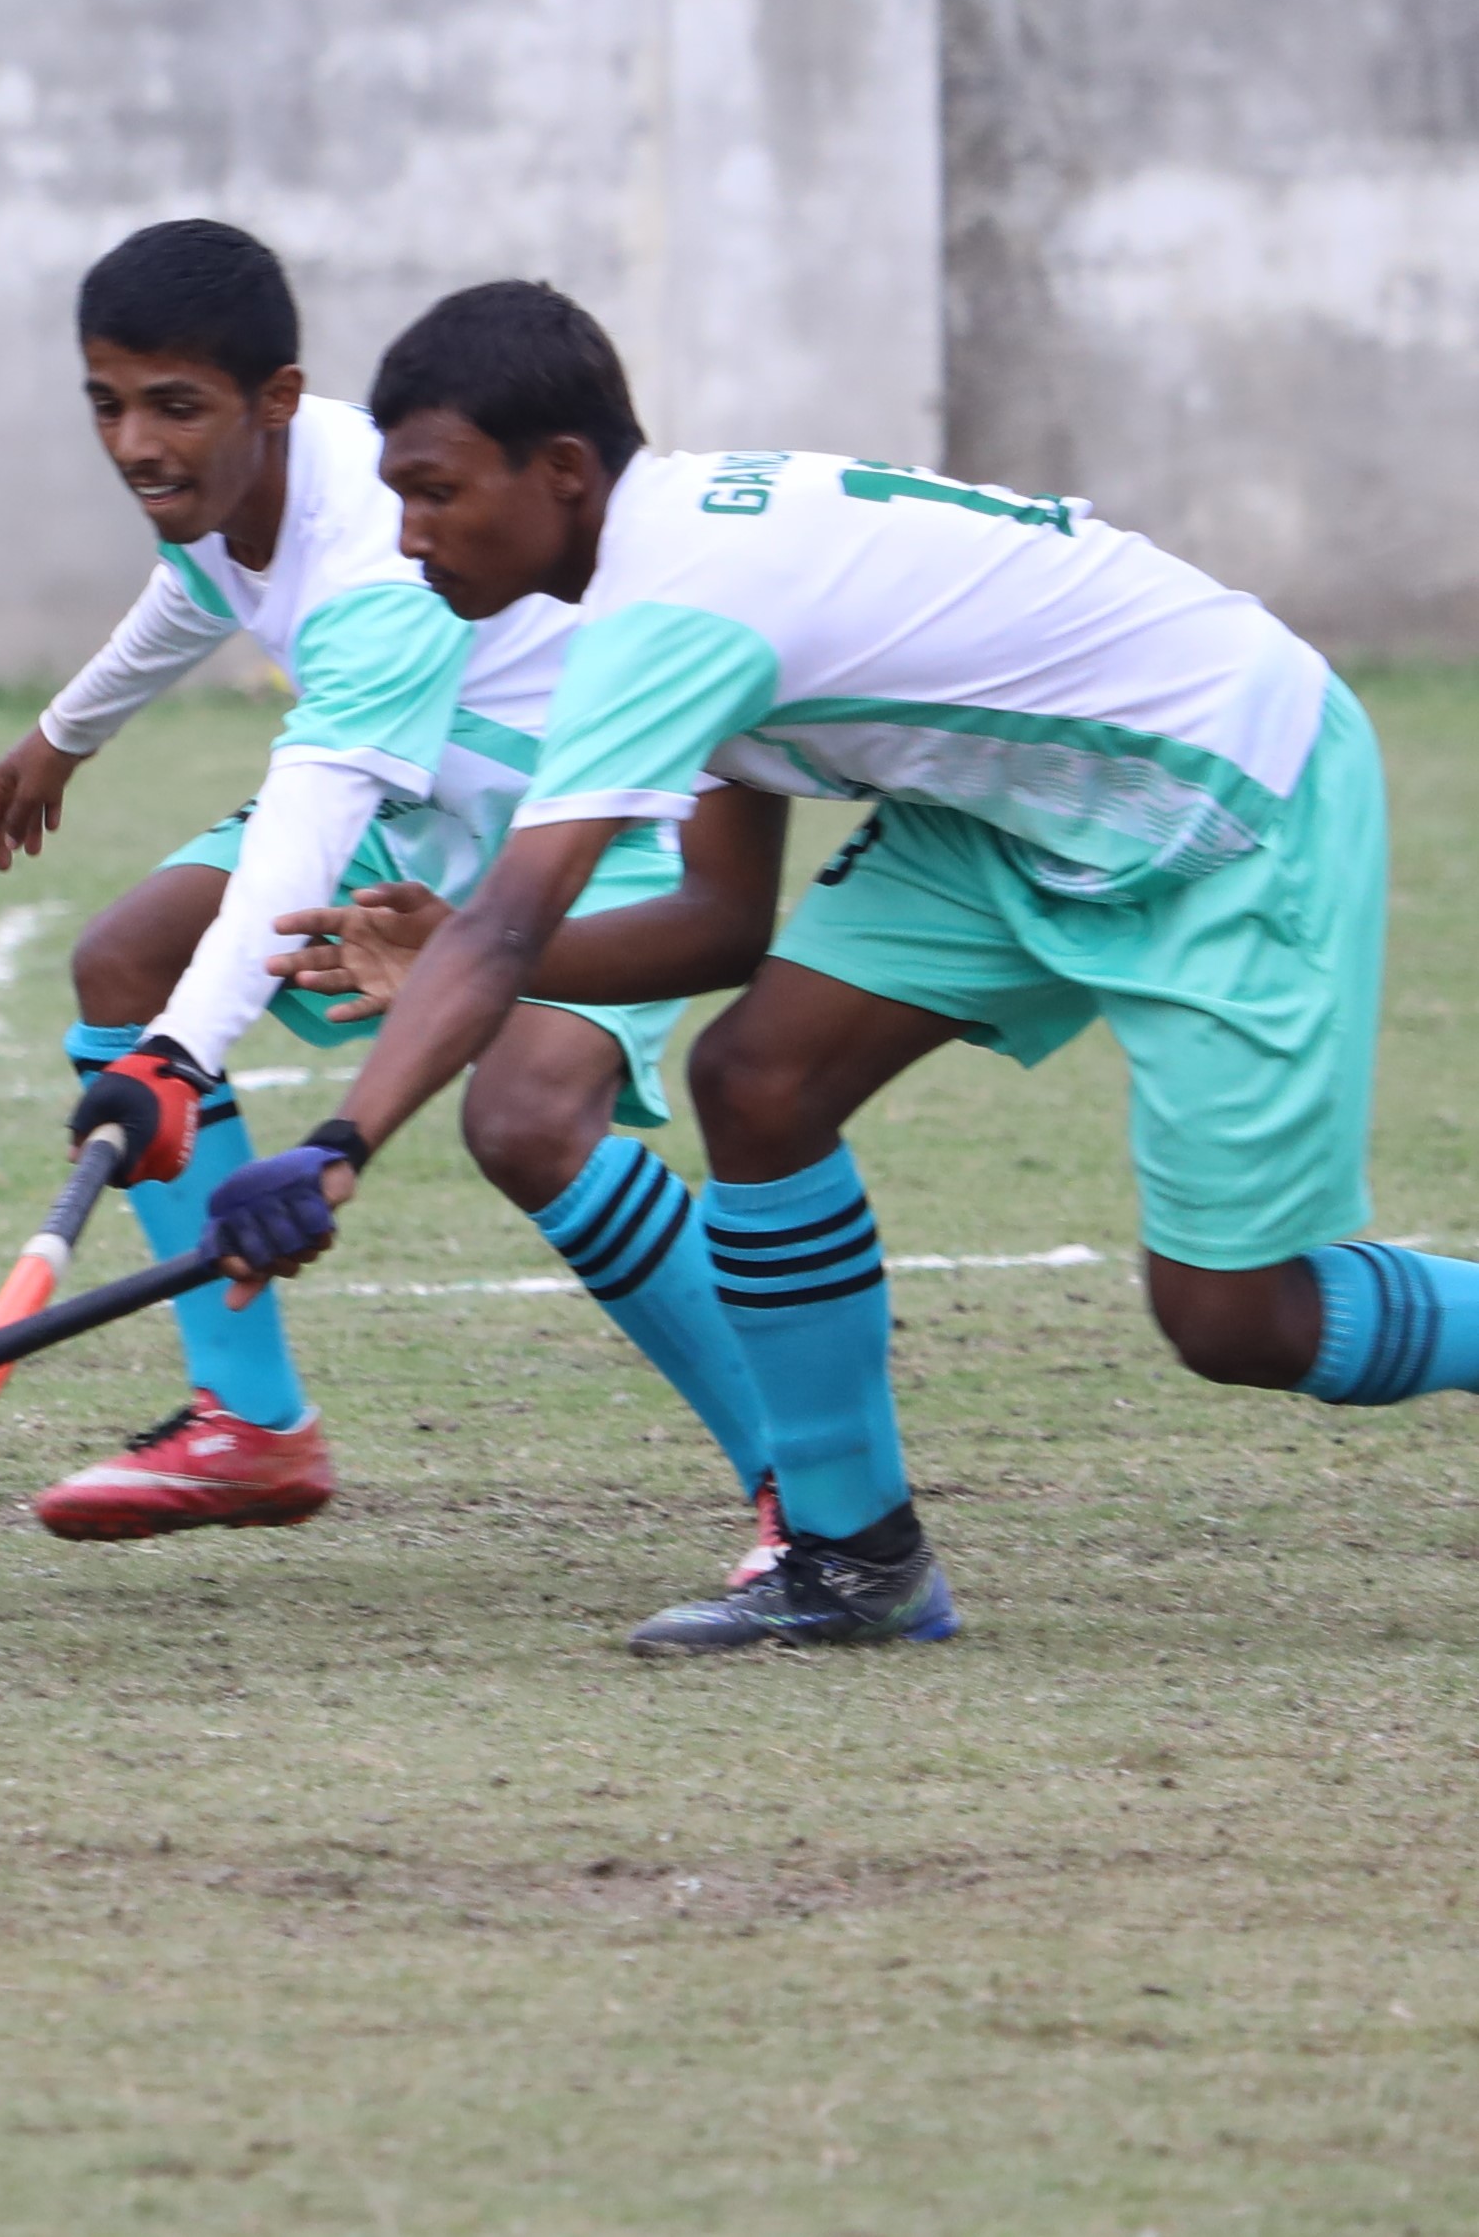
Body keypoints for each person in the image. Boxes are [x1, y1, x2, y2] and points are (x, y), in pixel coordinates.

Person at [206, 277, 1479, 1654]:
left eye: (437, 492)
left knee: (1236, 1321)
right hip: (1011, 814)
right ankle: (852, 1558)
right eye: (396, 497)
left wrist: (337, 1143)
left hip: (1224, 793)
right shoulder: (652, 570)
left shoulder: (669, 609)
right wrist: (471, 960)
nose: (409, 536)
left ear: (561, 471)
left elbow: (513, 920)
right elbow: (716, 922)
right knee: (758, 1079)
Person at [0, 222, 787, 1567]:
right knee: (127, 959)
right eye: (106, 405)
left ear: (274, 401)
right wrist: (66, 733)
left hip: (587, 809)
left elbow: (310, 816)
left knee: (527, 1120)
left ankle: (804, 1481)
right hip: (425, 803)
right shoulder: (234, 481)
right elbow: (199, 589)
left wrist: (179, 1057)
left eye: (173, 407)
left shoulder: (374, 566)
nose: (135, 445)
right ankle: (249, 1425)